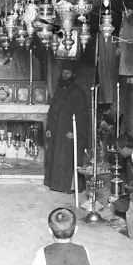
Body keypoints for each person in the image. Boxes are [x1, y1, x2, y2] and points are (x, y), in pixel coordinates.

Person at [44, 60, 88, 192]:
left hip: (68, 133)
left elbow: (82, 115)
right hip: (56, 132)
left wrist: (76, 132)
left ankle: (69, 187)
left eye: (67, 73)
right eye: (63, 72)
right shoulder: (59, 91)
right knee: (55, 158)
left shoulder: (78, 92)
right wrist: (49, 129)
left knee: (67, 160)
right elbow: (52, 111)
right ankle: (55, 184)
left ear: (72, 75)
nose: (65, 75)